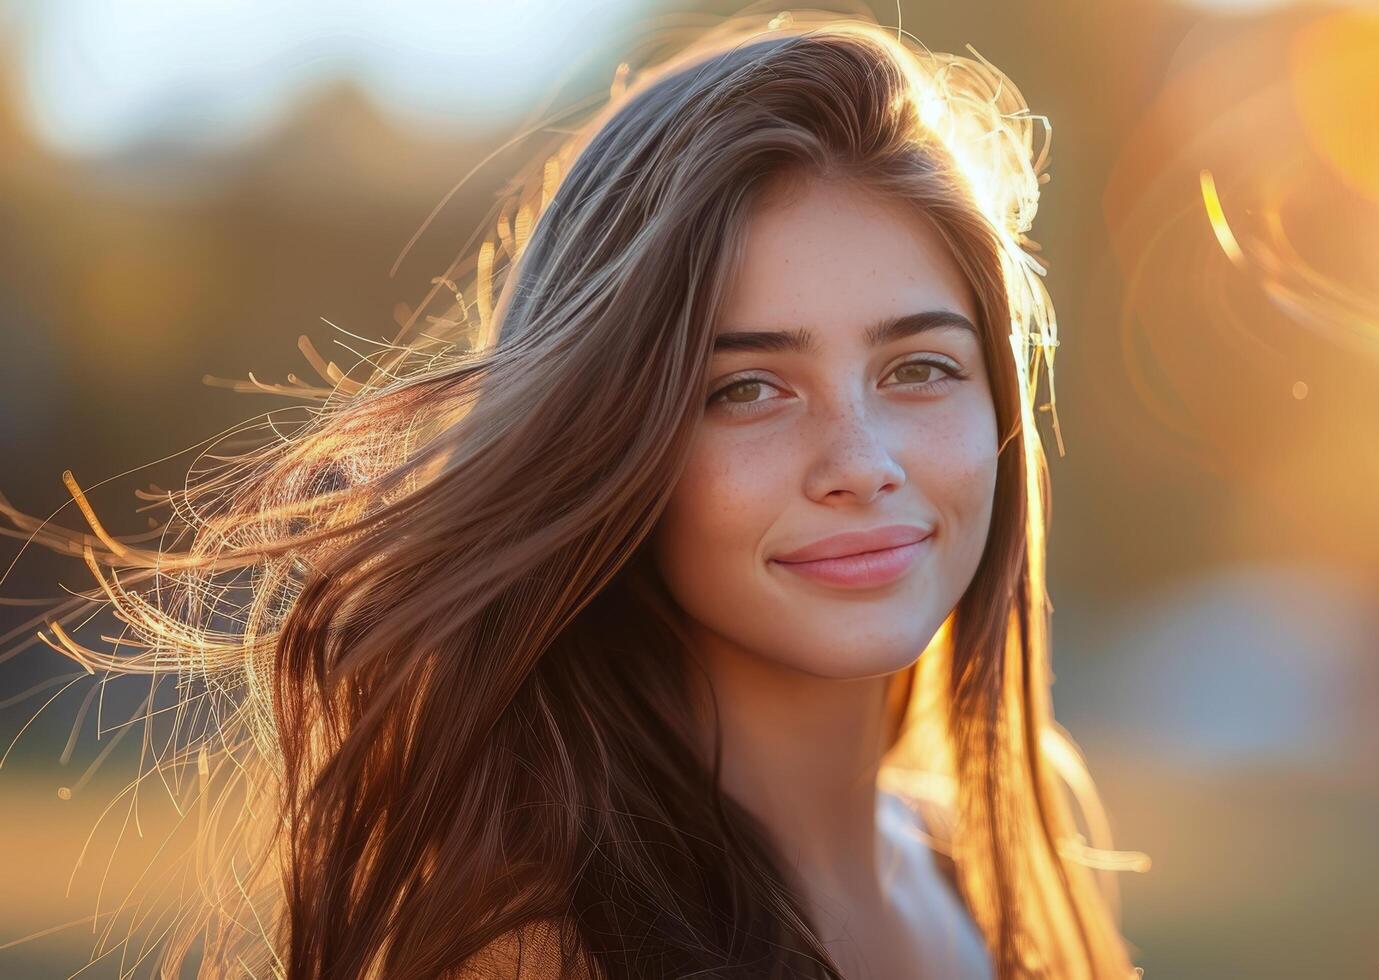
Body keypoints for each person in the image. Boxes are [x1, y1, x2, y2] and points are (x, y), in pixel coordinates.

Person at [1, 10, 1146, 978]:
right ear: (610, 435)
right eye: (745, 386)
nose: (861, 457)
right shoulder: (543, 947)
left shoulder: (983, 858)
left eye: (919, 367)